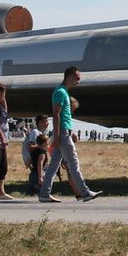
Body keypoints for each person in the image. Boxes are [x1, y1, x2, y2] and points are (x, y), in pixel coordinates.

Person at [39, 66, 100, 203]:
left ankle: (44, 193)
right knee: (73, 162)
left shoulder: (64, 92)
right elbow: (56, 114)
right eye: (77, 78)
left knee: (54, 165)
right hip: (62, 134)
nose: (78, 81)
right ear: (70, 76)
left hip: (64, 132)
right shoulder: (60, 92)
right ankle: (85, 192)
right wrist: (57, 136)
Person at [22, 115, 51, 195]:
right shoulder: (35, 132)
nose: (48, 123)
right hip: (36, 165)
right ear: (40, 122)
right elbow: (30, 147)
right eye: (46, 121)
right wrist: (43, 145)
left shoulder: (41, 133)